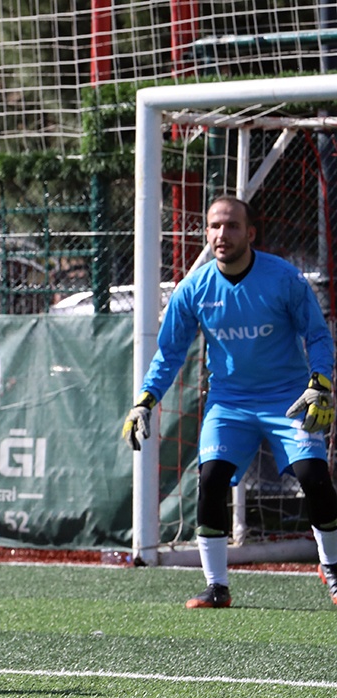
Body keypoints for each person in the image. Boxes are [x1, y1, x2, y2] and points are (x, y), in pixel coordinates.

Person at [123, 195, 337, 609]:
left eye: (232, 226)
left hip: (289, 399)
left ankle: (332, 568)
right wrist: (144, 401)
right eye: (215, 226)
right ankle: (216, 586)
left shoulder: (285, 279)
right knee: (211, 480)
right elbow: (169, 353)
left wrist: (321, 383)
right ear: (207, 232)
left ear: (250, 233)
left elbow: (317, 335)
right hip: (230, 403)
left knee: (314, 477)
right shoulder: (193, 289)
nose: (223, 234)